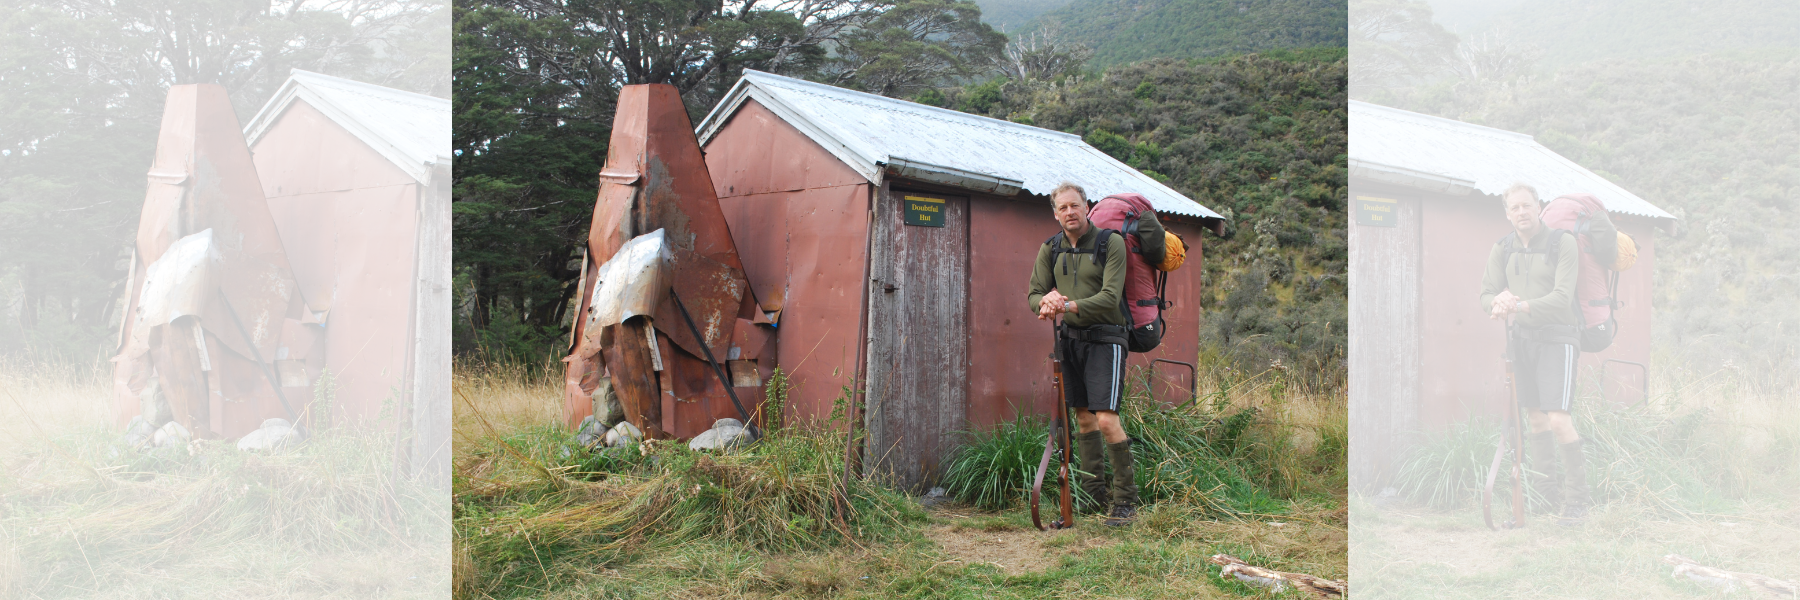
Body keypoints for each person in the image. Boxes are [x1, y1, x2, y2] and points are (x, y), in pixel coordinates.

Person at [1025, 182, 1137, 527]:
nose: (1069, 213)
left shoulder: (1110, 243)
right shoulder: (1050, 248)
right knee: (1084, 419)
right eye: (1063, 208)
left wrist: (1065, 304)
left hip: (1107, 338)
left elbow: (1109, 296)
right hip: (1070, 341)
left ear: (1086, 206)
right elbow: (1033, 295)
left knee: (1106, 419)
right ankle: (1093, 496)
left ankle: (1125, 502)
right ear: (1055, 213)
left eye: (1075, 205)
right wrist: (1046, 303)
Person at [1479, 182, 1589, 526]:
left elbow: (1561, 297)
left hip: (1558, 338)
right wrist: (1497, 303)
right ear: (1507, 213)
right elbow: (1485, 294)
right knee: (1536, 420)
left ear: (1538, 207)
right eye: (1515, 208)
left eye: (1527, 205)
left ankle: (1577, 503)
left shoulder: (1562, 243)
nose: (1522, 212)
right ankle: (1545, 500)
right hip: (1521, 340)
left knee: (1557, 419)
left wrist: (1518, 304)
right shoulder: (1503, 247)